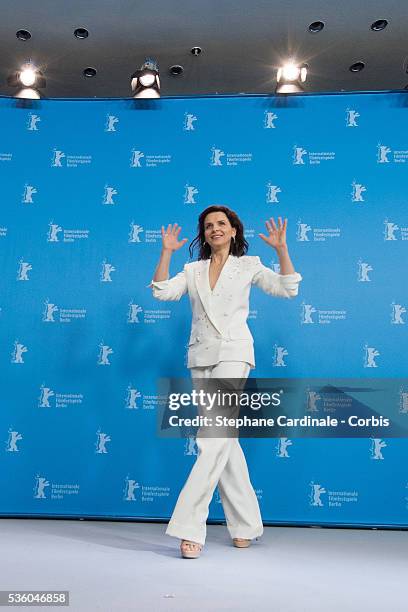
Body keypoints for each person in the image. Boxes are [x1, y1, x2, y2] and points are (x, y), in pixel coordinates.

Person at [149, 205, 302, 558]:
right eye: (208, 225)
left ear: (234, 230)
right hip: (200, 357)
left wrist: (281, 249)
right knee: (224, 442)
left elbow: (286, 288)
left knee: (212, 437)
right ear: (203, 234)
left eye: (221, 224)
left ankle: (190, 526)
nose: (214, 229)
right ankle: (246, 524)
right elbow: (161, 291)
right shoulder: (193, 269)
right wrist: (166, 252)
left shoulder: (249, 265)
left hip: (234, 353)